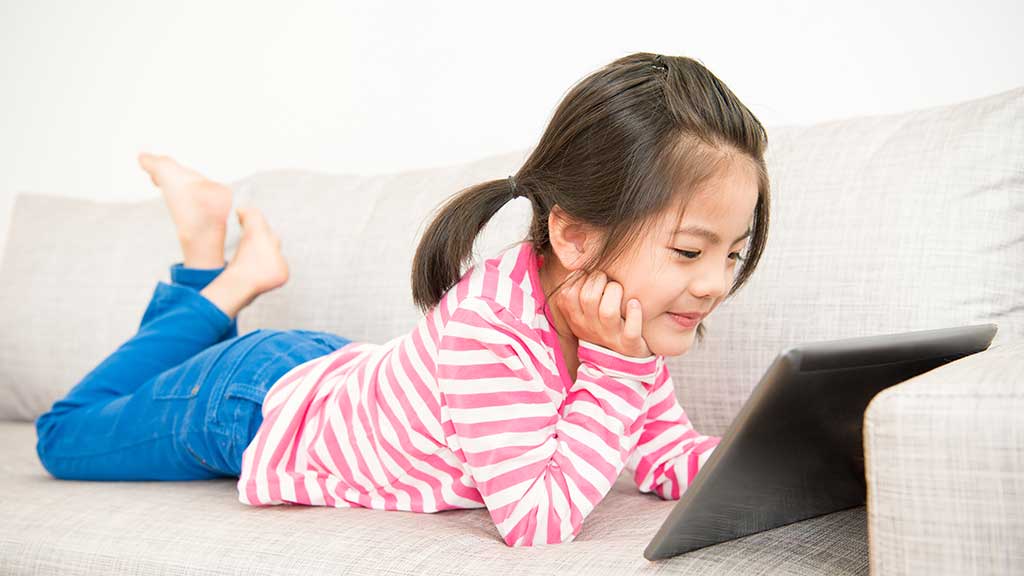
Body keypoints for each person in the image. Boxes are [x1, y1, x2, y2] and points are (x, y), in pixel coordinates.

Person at [35, 51, 770, 548]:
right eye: (689, 251)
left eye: (732, 254)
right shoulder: (495, 331)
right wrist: (613, 370)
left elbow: (668, 457)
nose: (714, 283)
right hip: (251, 406)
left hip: (324, 374)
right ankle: (226, 278)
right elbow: (536, 521)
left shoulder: (620, 324)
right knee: (64, 435)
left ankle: (202, 246)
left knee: (107, 411)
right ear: (574, 235)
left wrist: (786, 462)